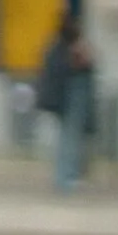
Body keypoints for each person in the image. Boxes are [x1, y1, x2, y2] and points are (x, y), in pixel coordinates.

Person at [38, 11, 97, 193]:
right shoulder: (66, 49)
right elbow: (80, 66)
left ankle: (67, 177)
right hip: (68, 100)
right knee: (68, 141)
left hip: (63, 101)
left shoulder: (56, 47)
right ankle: (65, 178)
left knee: (68, 141)